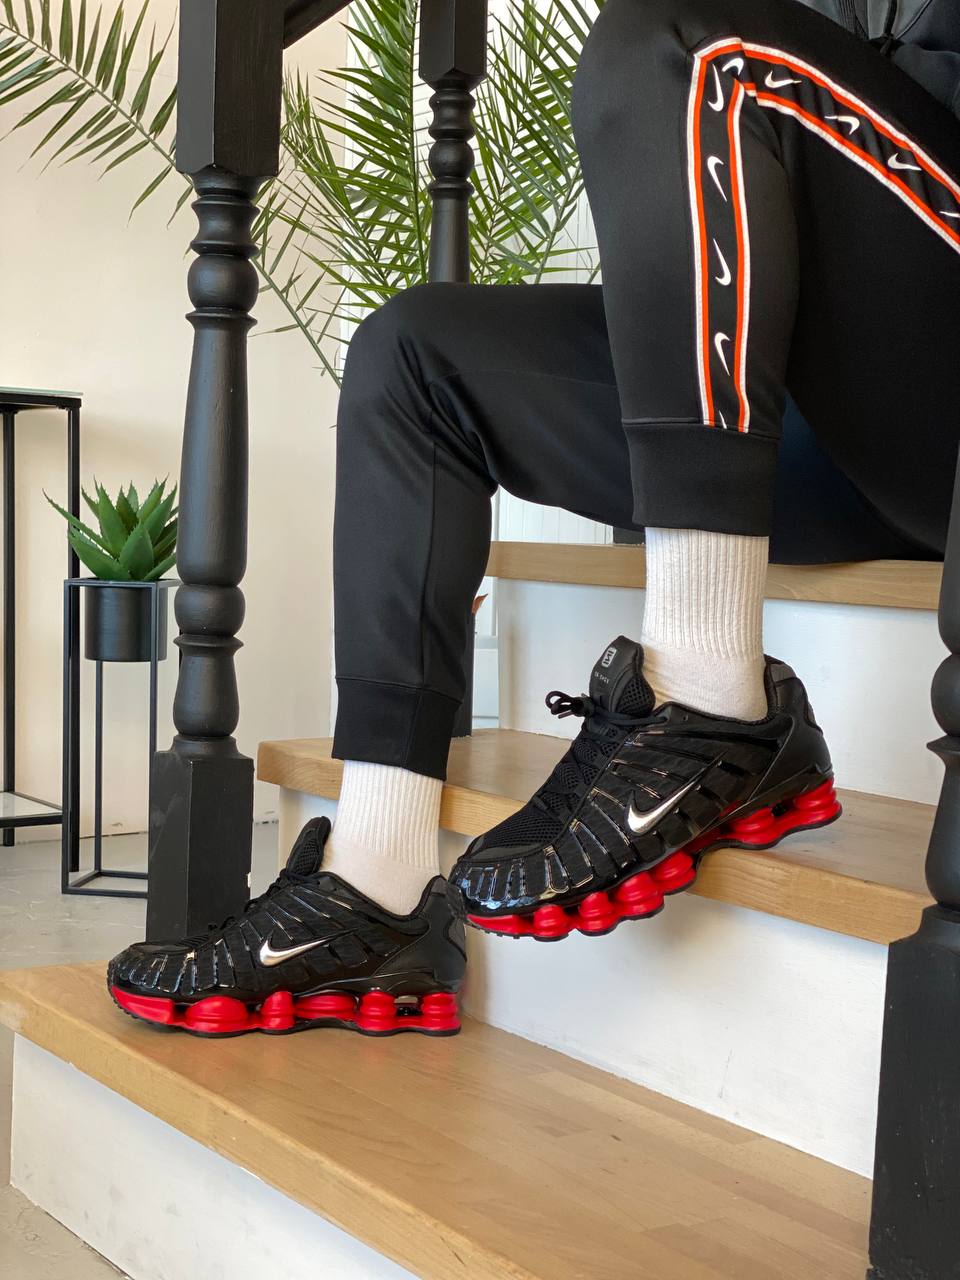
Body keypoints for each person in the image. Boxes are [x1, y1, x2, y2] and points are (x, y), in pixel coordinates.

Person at [108, 0, 960, 1035]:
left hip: (935, 391)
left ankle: (707, 695)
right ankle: (374, 887)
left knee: (680, 44)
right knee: (412, 356)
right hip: (794, 402)